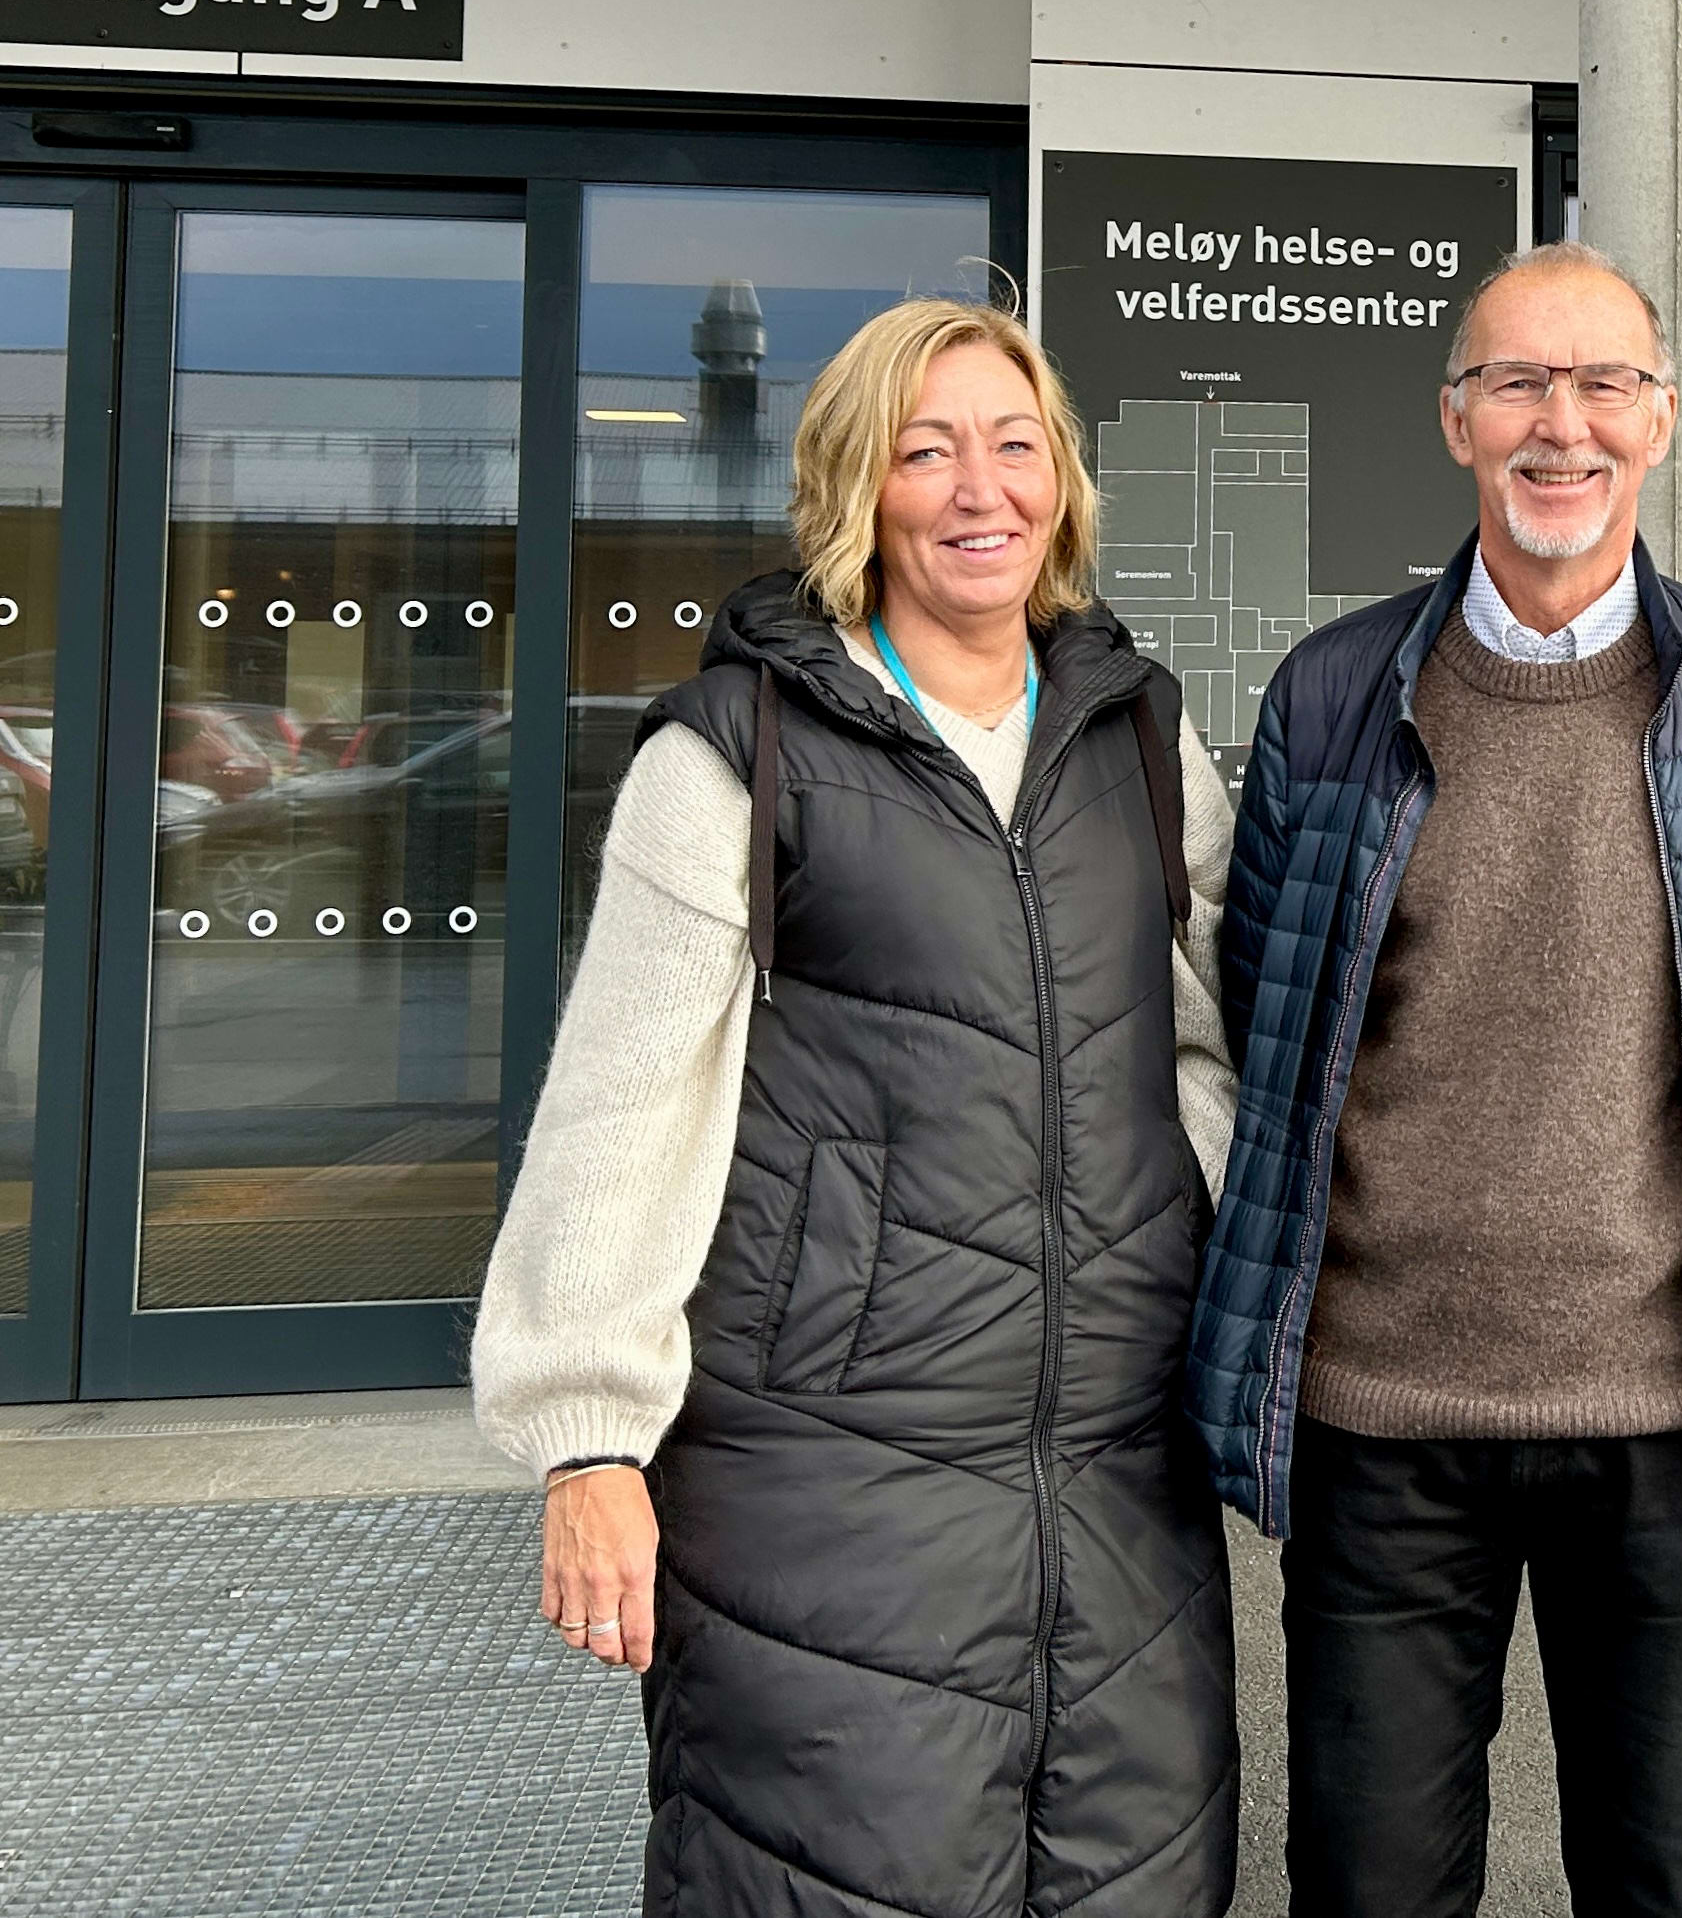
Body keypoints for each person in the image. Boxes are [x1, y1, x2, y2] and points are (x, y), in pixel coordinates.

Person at [472, 297, 1241, 1918]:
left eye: (1015, 445)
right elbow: (618, 1106)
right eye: (925, 449)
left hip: (1116, 1469)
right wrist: (588, 1436)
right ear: (854, 486)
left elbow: (1207, 1036)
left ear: (1060, 483)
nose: (980, 487)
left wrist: (1177, 1209)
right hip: (824, 1473)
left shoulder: (1138, 734)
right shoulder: (736, 751)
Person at [1188, 238, 1682, 1918]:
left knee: (1675, 1884)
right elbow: (1270, 1006)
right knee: (1368, 1886)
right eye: (1517, 382)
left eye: (1602, 382)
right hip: (1380, 1421)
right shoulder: (1332, 694)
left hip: (1674, 1423)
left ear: (1661, 418)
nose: (1561, 423)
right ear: (1455, 420)